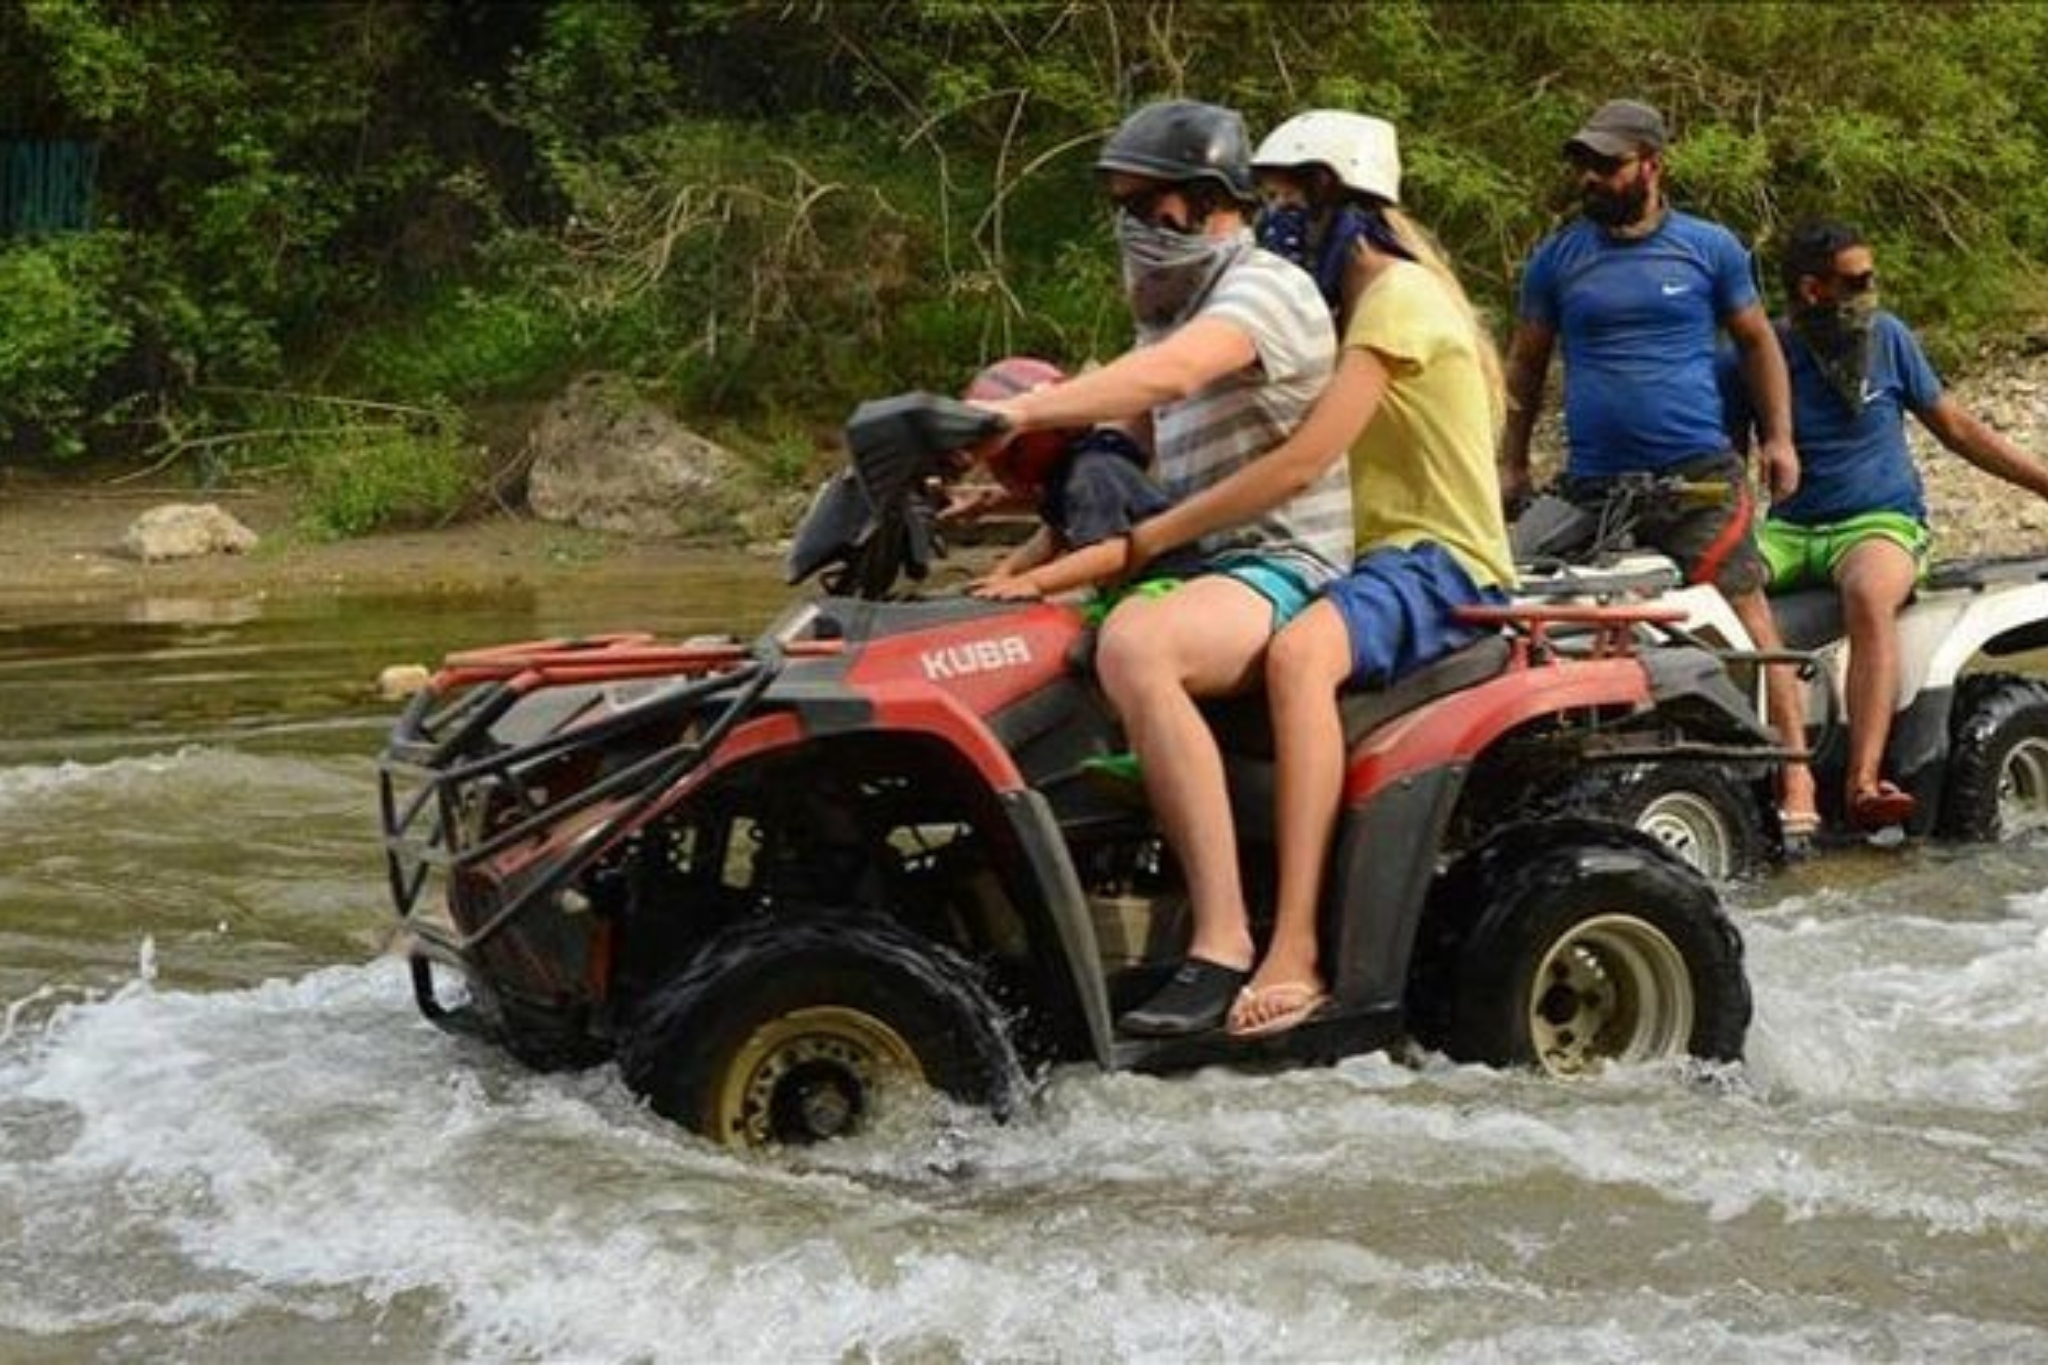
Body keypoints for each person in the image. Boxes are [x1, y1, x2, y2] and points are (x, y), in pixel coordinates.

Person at [986, 109, 1515, 1038]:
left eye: (1282, 199)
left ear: (1336, 202)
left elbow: (1295, 463)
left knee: (1281, 653)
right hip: (1346, 557)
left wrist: (1104, 518)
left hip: (1431, 559)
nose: (1272, 217)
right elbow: (1137, 438)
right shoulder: (1243, 306)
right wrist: (1029, 547)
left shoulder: (1368, 299)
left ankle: (1277, 945)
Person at [968, 98, 1354, 1037]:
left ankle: (1220, 942)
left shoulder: (1266, 290)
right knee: (1004, 638)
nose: (1131, 228)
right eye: (1123, 207)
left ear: (1207, 201)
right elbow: (1117, 445)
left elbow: (1171, 378)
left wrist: (1019, 411)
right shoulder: (1168, 315)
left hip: (1281, 563)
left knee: (1137, 645)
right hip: (1195, 562)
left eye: (1145, 206)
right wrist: (1001, 520)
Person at [1498, 97, 1821, 838]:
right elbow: (1526, 362)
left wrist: (1779, 440)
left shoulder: (1709, 248)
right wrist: (1511, 462)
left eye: (1608, 164)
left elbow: (1757, 344)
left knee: (1745, 608)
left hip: (1696, 473)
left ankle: (1796, 769)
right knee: (1511, 589)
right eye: (1584, 163)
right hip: (1592, 482)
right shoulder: (1557, 258)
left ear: (1651, 165)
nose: (1592, 177)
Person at [1722, 220, 2048, 831]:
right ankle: (1768, 757)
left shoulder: (1888, 338)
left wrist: (2042, 483)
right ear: (1813, 289)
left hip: (1880, 521)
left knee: (1868, 594)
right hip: (1790, 531)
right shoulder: (1757, 356)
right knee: (1717, 588)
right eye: (1858, 281)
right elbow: (1727, 460)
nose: (1872, 290)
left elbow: (1958, 429)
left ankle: (1865, 780)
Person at [961, 357, 1202, 600]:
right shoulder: (1067, 472)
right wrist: (1005, 573)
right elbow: (1052, 537)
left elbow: (1108, 553)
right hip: (1133, 587)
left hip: (1171, 584)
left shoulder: (1091, 471)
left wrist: (1034, 582)